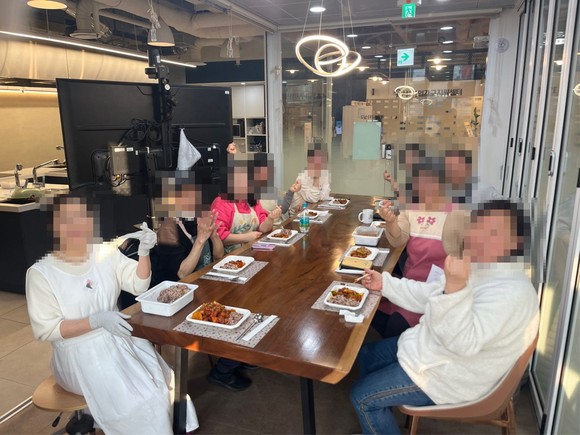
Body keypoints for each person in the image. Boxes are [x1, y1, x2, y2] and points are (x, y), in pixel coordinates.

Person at [351, 200, 539, 435]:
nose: (477, 237)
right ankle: (378, 426)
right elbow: (430, 294)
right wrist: (385, 284)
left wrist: (454, 289)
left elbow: (461, 344)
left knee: (362, 397)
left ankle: (375, 414)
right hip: (432, 350)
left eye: (492, 233)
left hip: (453, 377)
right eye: (477, 227)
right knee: (366, 355)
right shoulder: (481, 266)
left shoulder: (512, 292)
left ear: (515, 243)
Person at [26, 194, 198, 434]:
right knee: (140, 401)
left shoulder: (103, 252)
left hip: (118, 338)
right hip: (78, 355)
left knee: (165, 383)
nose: (77, 225)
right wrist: (96, 321)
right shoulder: (41, 273)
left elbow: (138, 285)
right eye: (67, 220)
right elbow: (47, 330)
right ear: (54, 227)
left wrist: (145, 252)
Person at [154, 173, 253, 391]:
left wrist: (214, 234)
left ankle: (238, 355)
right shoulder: (169, 230)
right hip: (181, 297)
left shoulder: (195, 219)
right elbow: (182, 273)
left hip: (205, 285)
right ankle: (225, 368)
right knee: (240, 307)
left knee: (250, 297)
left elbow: (218, 256)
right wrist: (200, 239)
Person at [374, 159, 450, 338]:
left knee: (394, 326)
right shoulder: (412, 208)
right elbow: (398, 240)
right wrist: (391, 221)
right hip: (408, 285)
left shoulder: (456, 214)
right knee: (369, 309)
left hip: (438, 292)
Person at [211, 158, 281, 253]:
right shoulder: (222, 202)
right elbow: (218, 236)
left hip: (254, 252)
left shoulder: (253, 200)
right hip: (231, 256)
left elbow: (263, 229)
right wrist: (245, 237)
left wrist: (270, 218)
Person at [290, 143, 331, 213]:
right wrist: (316, 179)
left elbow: (325, 196)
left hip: (315, 210)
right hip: (298, 214)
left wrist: (318, 197)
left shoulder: (324, 174)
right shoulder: (302, 178)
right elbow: (313, 199)